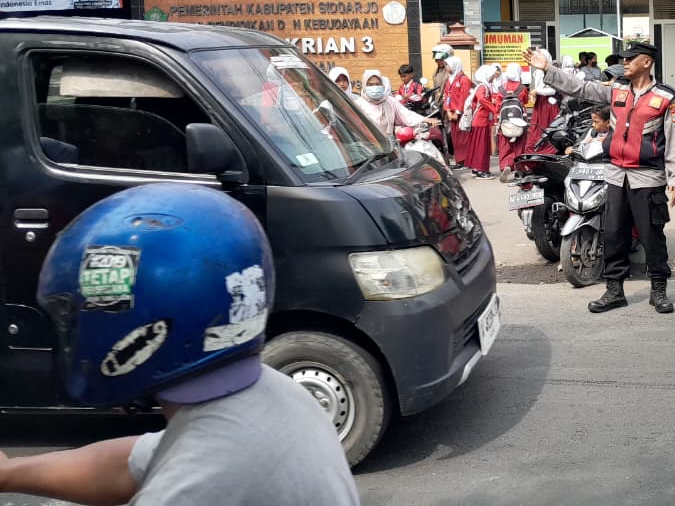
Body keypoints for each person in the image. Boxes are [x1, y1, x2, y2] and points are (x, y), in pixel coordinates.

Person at [0, 183, 358, 505]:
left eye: (74, 316)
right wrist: (9, 473)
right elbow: (129, 464)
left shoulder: (195, 484)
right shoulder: (275, 394)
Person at [526, 42, 675, 315]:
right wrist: (548, 69)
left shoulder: (666, 97)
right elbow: (581, 88)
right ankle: (614, 291)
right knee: (613, 234)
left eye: (630, 59)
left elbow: (674, 140)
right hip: (614, 176)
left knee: (652, 236)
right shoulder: (617, 90)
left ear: (646, 63)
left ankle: (658, 290)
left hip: (647, 178)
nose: (625, 63)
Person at [356, 69, 425, 139]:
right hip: (367, 146)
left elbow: (406, 115)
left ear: (382, 85)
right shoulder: (358, 105)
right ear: (364, 86)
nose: (375, 87)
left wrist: (424, 120)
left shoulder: (390, 101)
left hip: (389, 145)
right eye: (370, 85)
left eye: (377, 84)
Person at [463, 64, 501, 179]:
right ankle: (481, 169)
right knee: (481, 147)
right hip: (481, 120)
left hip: (480, 120)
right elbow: (482, 99)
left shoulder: (483, 86)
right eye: (490, 74)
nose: (492, 76)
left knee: (478, 146)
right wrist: (494, 110)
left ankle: (477, 168)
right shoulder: (483, 87)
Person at [497, 63, 529, 181]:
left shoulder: (501, 88)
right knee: (520, 145)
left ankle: (506, 165)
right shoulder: (522, 88)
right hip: (519, 120)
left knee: (505, 145)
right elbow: (525, 101)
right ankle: (519, 170)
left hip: (505, 120)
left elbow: (497, 105)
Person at [442, 55, 471, 170]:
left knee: (463, 138)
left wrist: (457, 112)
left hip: (461, 114)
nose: (446, 67)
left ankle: (465, 161)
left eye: (447, 65)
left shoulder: (463, 80)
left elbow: (464, 97)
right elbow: (446, 95)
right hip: (452, 113)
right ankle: (459, 160)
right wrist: (448, 110)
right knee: (456, 138)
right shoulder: (450, 79)